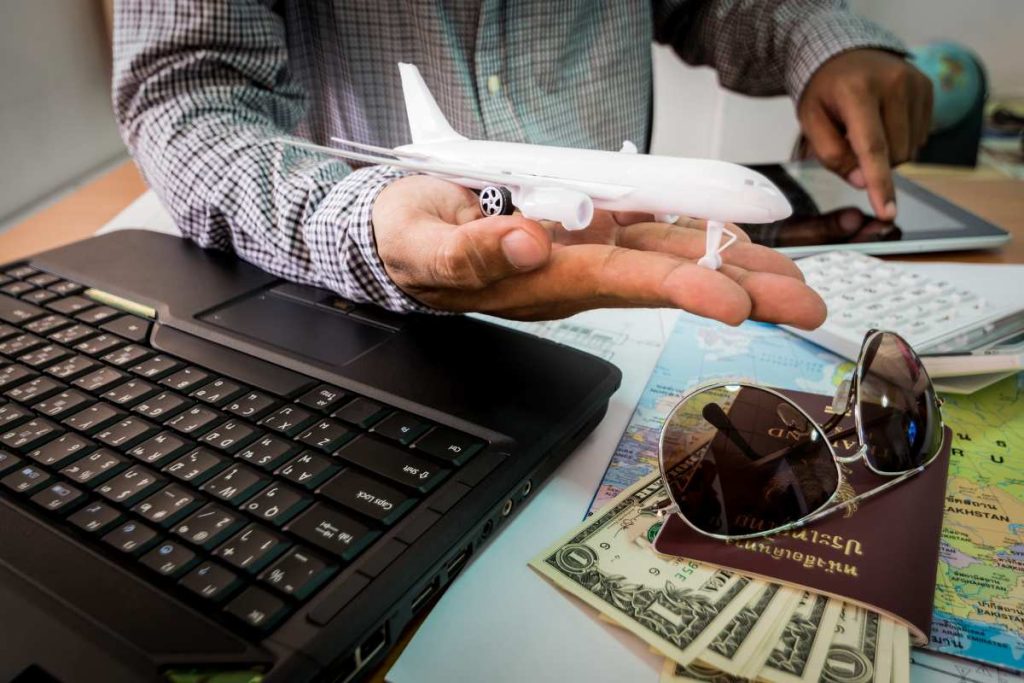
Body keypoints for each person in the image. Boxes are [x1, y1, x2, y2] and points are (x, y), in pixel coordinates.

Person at [112, 2, 931, 329]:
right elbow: (186, 93)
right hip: (365, 307)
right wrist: (360, 219)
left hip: (641, 314)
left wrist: (820, 40)